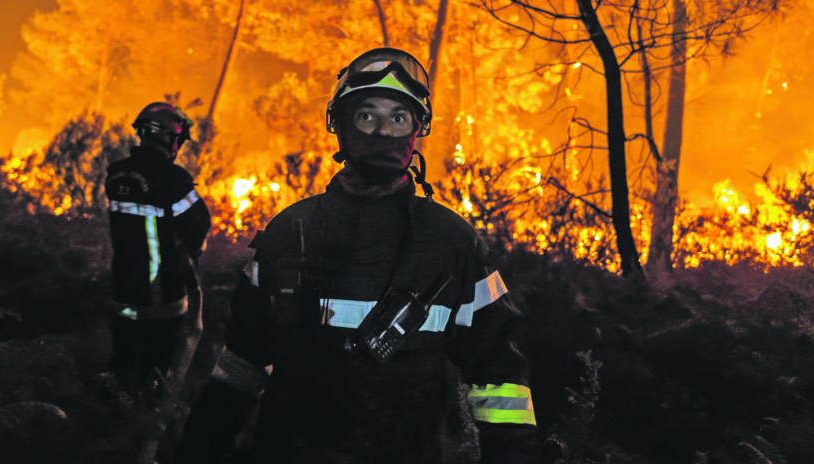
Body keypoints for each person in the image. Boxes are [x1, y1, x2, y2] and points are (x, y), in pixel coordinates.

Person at [175, 48, 541, 463]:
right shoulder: (289, 232)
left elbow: (499, 378)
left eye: (398, 118)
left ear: (418, 129)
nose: (383, 132)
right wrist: (196, 450)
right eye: (367, 116)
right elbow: (242, 364)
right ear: (341, 125)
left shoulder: (452, 244)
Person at [105, 102, 211, 394]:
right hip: (162, 300)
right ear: (169, 137)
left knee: (120, 367)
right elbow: (198, 229)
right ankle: (148, 417)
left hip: (122, 294)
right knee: (155, 375)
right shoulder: (173, 180)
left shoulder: (116, 175)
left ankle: (106, 415)